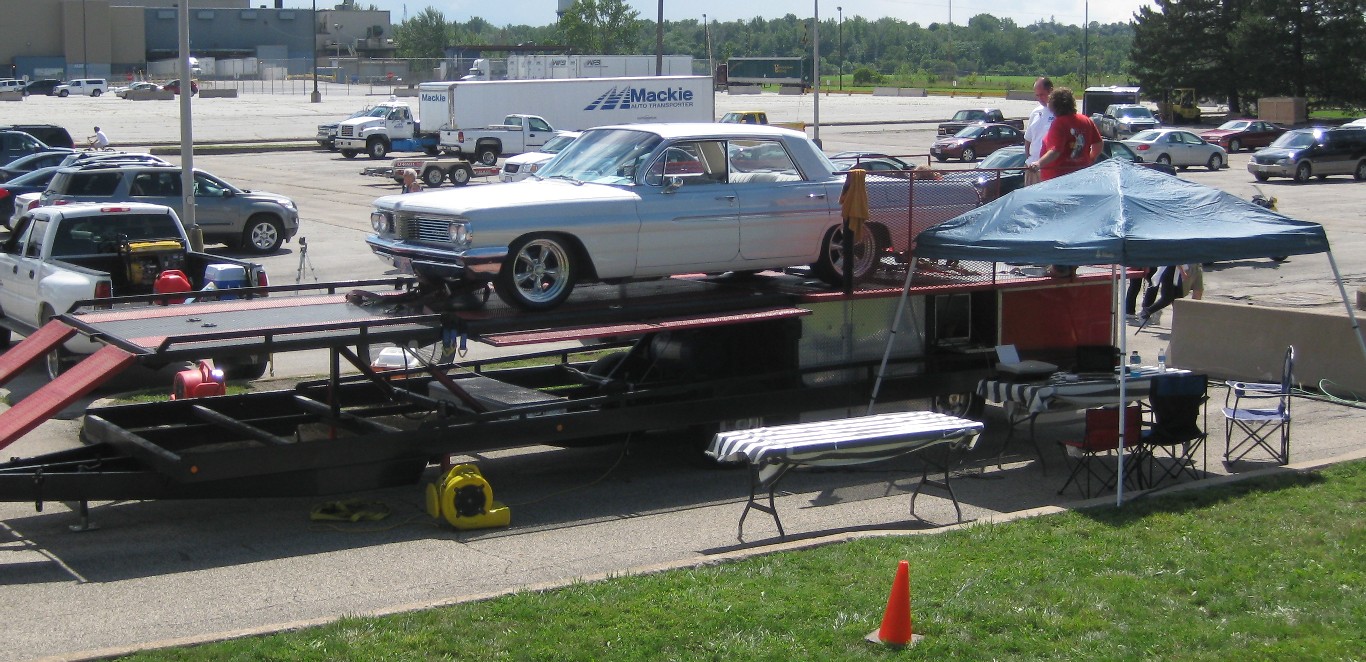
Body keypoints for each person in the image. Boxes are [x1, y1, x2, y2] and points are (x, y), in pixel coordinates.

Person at [1031, 87, 1102, 181]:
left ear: (1054, 105)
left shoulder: (1059, 123)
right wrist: (1091, 159)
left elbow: (1055, 151)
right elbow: (1098, 144)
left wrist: (1039, 163)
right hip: (1082, 175)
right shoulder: (1086, 120)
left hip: (1058, 179)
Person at [1022, 76, 1054, 186]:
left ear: (1051, 90)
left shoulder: (1060, 113)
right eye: (1037, 95)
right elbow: (1028, 139)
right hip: (1032, 168)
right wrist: (1029, 159)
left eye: (1042, 95)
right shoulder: (1035, 112)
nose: (1039, 98)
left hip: (1050, 169)